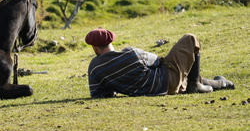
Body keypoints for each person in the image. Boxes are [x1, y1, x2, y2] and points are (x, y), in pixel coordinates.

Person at [85, 28, 235, 98]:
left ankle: (221, 83)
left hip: (151, 91)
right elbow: (157, 61)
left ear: (95, 47)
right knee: (190, 38)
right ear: (112, 41)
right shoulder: (131, 53)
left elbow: (99, 94)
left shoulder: (94, 67)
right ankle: (195, 86)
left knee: (185, 78)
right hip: (165, 82)